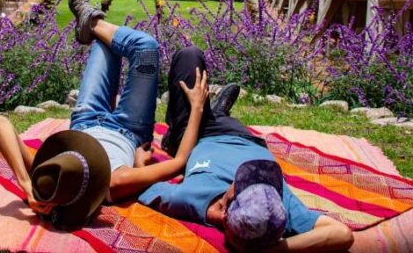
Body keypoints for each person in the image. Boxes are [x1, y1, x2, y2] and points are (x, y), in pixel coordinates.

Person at [0, 0, 209, 230]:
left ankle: (91, 22)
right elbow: (179, 162)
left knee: (104, 44)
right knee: (146, 48)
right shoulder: (116, 182)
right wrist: (196, 108)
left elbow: (0, 122)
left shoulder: (54, 177)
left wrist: (25, 183)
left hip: (86, 118)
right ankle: (92, 22)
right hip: (130, 128)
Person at [139, 46, 355, 252]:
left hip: (194, 136)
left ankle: (187, 127)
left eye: (245, 183)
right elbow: (342, 234)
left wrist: (141, 162)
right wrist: (274, 250)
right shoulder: (276, 207)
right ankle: (219, 112)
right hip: (244, 138)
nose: (258, 177)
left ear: (225, 211)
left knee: (189, 56)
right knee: (219, 116)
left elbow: (140, 186)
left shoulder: (188, 199)